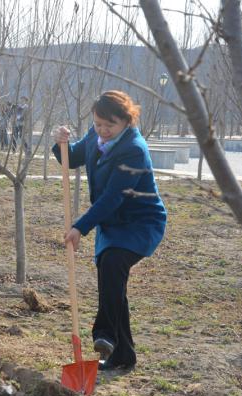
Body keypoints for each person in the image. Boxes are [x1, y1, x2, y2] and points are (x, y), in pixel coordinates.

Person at [52, 90, 167, 372]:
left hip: (140, 222)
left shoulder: (134, 149)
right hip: (112, 222)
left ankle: (105, 334)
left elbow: (114, 197)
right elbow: (72, 157)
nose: (102, 131)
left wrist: (80, 227)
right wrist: (60, 143)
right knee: (112, 276)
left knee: (113, 263)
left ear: (127, 121)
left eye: (109, 126)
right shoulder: (97, 135)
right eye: (98, 124)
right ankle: (123, 355)